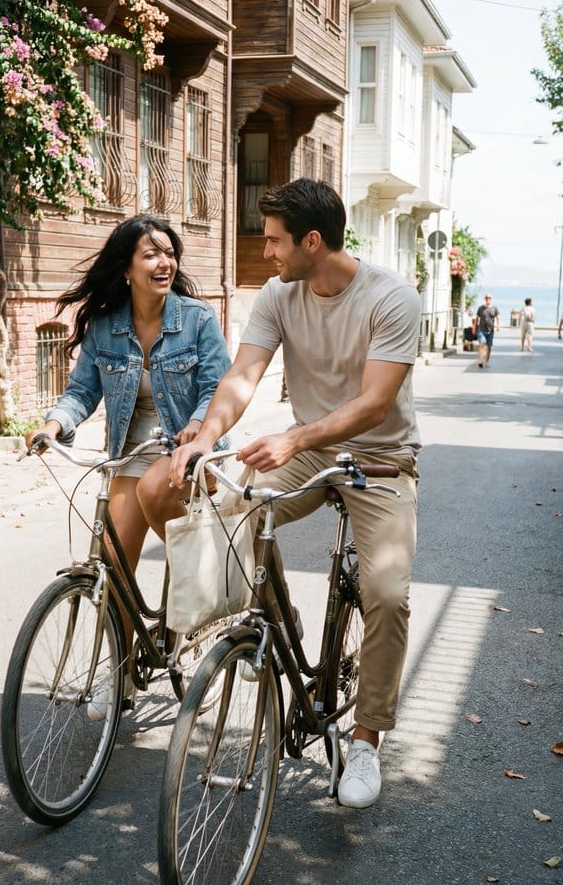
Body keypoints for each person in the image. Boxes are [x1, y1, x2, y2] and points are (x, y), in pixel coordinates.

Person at [169, 178, 421, 811]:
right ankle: (274, 616)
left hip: (381, 461)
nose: (266, 252)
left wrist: (294, 437)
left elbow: (376, 403)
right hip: (310, 451)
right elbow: (243, 375)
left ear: (312, 241)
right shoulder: (278, 295)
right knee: (233, 505)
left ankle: (366, 739)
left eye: (275, 241)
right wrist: (206, 436)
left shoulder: (392, 298)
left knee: (386, 594)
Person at [26, 215, 231, 699]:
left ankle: (205, 605)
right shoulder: (106, 326)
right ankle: (118, 673)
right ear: (126, 269)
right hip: (132, 451)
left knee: (160, 498)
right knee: (113, 563)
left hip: (190, 450)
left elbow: (216, 389)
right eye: (150, 254)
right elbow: (82, 391)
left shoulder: (198, 319)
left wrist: (197, 428)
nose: (164, 263)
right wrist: (53, 426)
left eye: (169, 253)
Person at [474, 293, 500, 368]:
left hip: (490, 330)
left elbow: (498, 317)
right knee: (481, 343)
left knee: (489, 347)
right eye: (486, 298)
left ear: (491, 299)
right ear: (484, 299)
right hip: (481, 329)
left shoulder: (494, 308)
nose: (488, 299)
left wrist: (498, 325)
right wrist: (474, 327)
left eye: (489, 298)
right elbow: (476, 318)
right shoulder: (481, 308)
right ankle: (480, 360)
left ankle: (486, 361)